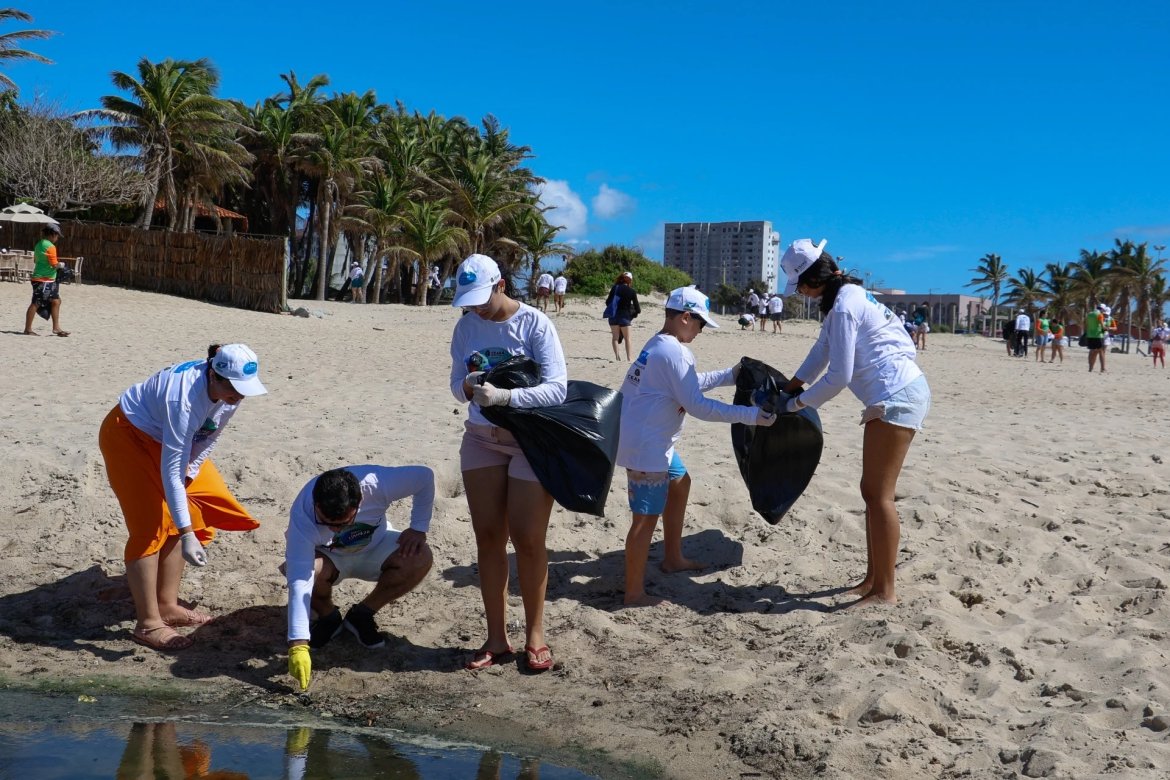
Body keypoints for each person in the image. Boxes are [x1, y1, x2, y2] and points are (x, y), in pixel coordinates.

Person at [778, 239, 930, 606]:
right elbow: (821, 351)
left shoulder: (846, 305)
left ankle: (884, 591)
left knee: (879, 495)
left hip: (896, 395)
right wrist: (791, 386)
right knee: (870, 492)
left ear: (814, 278)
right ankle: (872, 580)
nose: (800, 292)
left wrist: (796, 404)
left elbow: (839, 376)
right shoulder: (843, 301)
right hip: (894, 394)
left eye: (800, 285)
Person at [98, 343, 267, 651]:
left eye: (245, 388)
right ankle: (148, 624)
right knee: (150, 526)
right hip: (128, 436)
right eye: (234, 389)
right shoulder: (183, 400)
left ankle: (167, 604)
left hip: (169, 438)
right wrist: (188, 535)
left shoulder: (230, 393)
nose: (240, 396)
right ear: (213, 375)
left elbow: (208, 437)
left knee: (195, 506)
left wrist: (192, 473)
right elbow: (171, 473)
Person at [616, 286, 776, 607]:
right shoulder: (673, 352)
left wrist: (730, 375)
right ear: (685, 317)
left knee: (680, 482)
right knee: (644, 520)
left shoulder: (659, 344)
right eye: (701, 324)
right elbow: (698, 405)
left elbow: (687, 384)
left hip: (646, 437)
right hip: (646, 446)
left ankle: (673, 557)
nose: (701, 331)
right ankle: (634, 593)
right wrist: (752, 416)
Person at [450, 253, 567, 672]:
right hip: (481, 439)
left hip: (529, 441)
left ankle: (535, 634)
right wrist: (468, 386)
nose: (476, 308)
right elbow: (455, 385)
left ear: (501, 285)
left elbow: (557, 389)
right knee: (488, 537)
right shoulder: (466, 326)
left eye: (482, 299)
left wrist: (506, 397)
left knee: (528, 538)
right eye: (469, 301)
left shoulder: (535, 323)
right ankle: (496, 638)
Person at [284, 465, 435, 692]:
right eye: (326, 523)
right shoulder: (303, 513)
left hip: (376, 549)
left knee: (420, 556)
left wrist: (418, 527)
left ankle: (361, 615)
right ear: (317, 506)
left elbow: (424, 477)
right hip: (329, 559)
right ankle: (328, 618)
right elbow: (299, 578)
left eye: (343, 523)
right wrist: (298, 644)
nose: (335, 530)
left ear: (359, 503)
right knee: (300, 569)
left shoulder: (378, 483)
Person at [23, 223, 69, 336]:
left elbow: (36, 260)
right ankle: (27, 329)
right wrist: (61, 265)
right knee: (36, 303)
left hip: (44, 278)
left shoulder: (39, 244)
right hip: (43, 279)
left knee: (56, 301)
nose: (57, 238)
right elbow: (54, 264)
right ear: (53, 234)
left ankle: (56, 328)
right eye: (57, 236)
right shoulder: (51, 247)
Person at [605, 271, 641, 361]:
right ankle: (629, 358)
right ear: (630, 280)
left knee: (615, 338)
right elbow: (638, 309)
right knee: (627, 339)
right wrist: (633, 313)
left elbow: (607, 302)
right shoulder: (632, 291)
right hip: (625, 316)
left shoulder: (615, 288)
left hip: (613, 316)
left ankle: (617, 357)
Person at [1085, 303, 1109, 373]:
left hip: (1090, 335)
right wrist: (1107, 328)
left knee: (1091, 351)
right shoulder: (1099, 315)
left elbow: (1086, 325)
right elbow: (1102, 326)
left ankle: (1090, 368)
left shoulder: (1089, 314)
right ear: (1102, 309)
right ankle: (1103, 369)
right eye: (1103, 310)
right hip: (1098, 335)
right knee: (1101, 351)